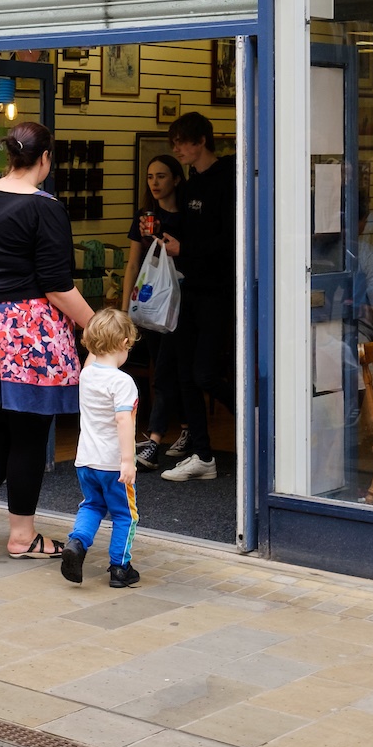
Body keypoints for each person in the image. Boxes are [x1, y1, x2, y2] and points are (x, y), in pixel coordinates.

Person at [0, 120, 94, 559]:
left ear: (10, 156)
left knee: (6, 425)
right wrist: (96, 325)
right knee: (30, 431)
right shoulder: (45, 208)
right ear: (45, 158)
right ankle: (21, 536)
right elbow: (56, 286)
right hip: (27, 332)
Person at [156, 113, 233, 483]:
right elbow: (186, 232)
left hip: (218, 291)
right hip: (187, 289)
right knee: (185, 374)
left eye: (181, 142)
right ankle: (202, 455)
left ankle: (255, 418)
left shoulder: (227, 179)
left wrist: (185, 249)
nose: (177, 149)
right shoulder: (188, 186)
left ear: (201, 141)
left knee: (204, 373)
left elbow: (230, 239)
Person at [61, 308, 141, 589]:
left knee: (92, 505)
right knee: (125, 515)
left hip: (86, 460)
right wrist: (128, 460)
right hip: (112, 464)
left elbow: (93, 359)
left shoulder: (87, 375)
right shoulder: (123, 382)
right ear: (125, 343)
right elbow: (123, 420)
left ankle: (77, 543)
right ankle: (120, 568)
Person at [122, 155, 185, 473]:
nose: (155, 183)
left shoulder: (187, 215)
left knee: (165, 371)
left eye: (161, 176)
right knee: (168, 367)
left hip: (179, 303)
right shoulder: (145, 217)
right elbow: (133, 262)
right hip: (150, 304)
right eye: (150, 177)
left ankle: (155, 439)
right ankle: (187, 428)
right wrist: (125, 310)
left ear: (176, 179)